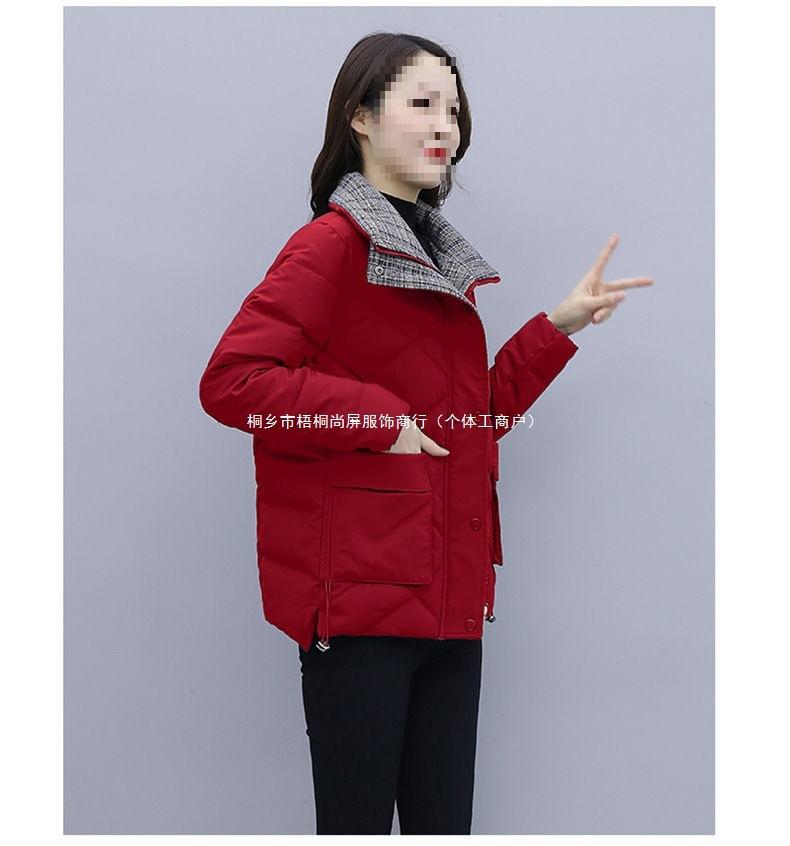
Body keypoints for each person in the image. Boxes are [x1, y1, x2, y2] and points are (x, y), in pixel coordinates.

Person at [199, 31, 654, 836]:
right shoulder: (334, 245)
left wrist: (558, 327)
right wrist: (380, 422)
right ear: (361, 117)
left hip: (450, 606)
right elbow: (234, 384)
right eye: (421, 103)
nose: (446, 124)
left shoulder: (433, 256)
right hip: (361, 610)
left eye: (453, 108)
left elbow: (467, 426)